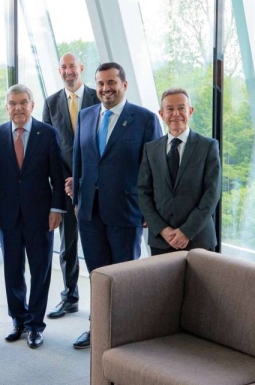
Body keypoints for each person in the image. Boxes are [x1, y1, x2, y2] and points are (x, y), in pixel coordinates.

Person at [71, 62, 162, 349]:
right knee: (97, 274)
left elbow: (153, 168)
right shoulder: (86, 115)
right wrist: (77, 202)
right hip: (89, 211)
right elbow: (79, 161)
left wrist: (150, 210)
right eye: (100, 83)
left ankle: (125, 334)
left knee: (124, 275)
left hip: (126, 210)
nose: (105, 88)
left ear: (124, 85)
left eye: (111, 82)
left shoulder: (145, 119)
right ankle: (96, 328)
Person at [0, 84, 65, 349]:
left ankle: (35, 326)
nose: (18, 108)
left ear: (32, 105)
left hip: (41, 215)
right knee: (12, 270)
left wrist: (57, 209)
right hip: (7, 215)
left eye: (23, 102)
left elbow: (57, 175)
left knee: (40, 271)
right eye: (12, 103)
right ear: (7, 106)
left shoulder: (48, 133)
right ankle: (18, 320)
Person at [42, 52, 100, 319]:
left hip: (94, 186)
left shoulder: (98, 97)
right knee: (67, 247)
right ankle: (70, 297)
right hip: (63, 186)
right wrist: (61, 182)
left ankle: (101, 303)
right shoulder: (51, 103)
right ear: (59, 71)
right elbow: (46, 148)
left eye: (72, 66)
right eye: (64, 67)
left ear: (82, 68)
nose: (68, 71)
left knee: (96, 246)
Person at [138, 88, 221, 254]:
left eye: (181, 108)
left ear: (190, 111)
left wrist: (186, 231)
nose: (176, 113)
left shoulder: (208, 146)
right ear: (161, 114)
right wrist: (162, 229)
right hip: (161, 240)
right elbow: (143, 192)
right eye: (170, 109)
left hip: (199, 240)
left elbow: (212, 194)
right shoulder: (150, 149)